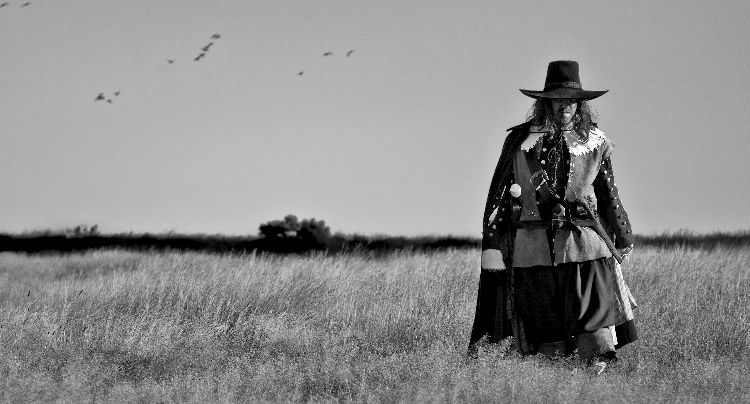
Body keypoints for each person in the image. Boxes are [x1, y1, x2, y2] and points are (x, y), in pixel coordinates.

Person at [468, 60, 638, 373]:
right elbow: (503, 197)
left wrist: (623, 233)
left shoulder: (596, 142)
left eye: (570, 100)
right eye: (557, 99)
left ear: (580, 104)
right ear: (545, 102)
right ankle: (554, 385)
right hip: (532, 250)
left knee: (594, 322)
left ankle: (596, 381)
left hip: (584, 246)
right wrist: (493, 241)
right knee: (545, 329)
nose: (564, 105)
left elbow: (609, 192)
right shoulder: (519, 142)